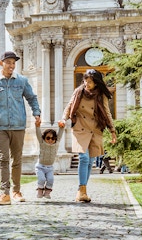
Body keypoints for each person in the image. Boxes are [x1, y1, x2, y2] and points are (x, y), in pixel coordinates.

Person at [0, 51, 41, 206]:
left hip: (18, 126)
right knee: (2, 159)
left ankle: (16, 191)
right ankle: (4, 193)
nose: (11, 65)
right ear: (1, 63)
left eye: (13, 63)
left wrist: (36, 113)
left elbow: (32, 97)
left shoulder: (22, 81)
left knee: (16, 160)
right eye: (8, 62)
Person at [59, 69, 117, 203]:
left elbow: (107, 113)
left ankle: (83, 189)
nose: (86, 83)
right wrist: (63, 119)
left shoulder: (101, 95)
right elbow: (69, 106)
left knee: (91, 161)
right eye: (85, 80)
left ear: (96, 83)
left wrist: (112, 131)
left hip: (95, 129)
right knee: (84, 158)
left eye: (90, 82)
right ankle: (82, 190)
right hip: (80, 127)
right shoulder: (78, 91)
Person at [34, 120, 65, 199]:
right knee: (42, 179)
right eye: (48, 138)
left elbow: (60, 135)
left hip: (50, 167)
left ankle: (47, 192)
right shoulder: (42, 143)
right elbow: (38, 134)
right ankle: (40, 191)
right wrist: (37, 126)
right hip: (40, 166)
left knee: (50, 179)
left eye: (52, 138)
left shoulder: (56, 144)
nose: (50, 140)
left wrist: (61, 127)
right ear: (44, 138)